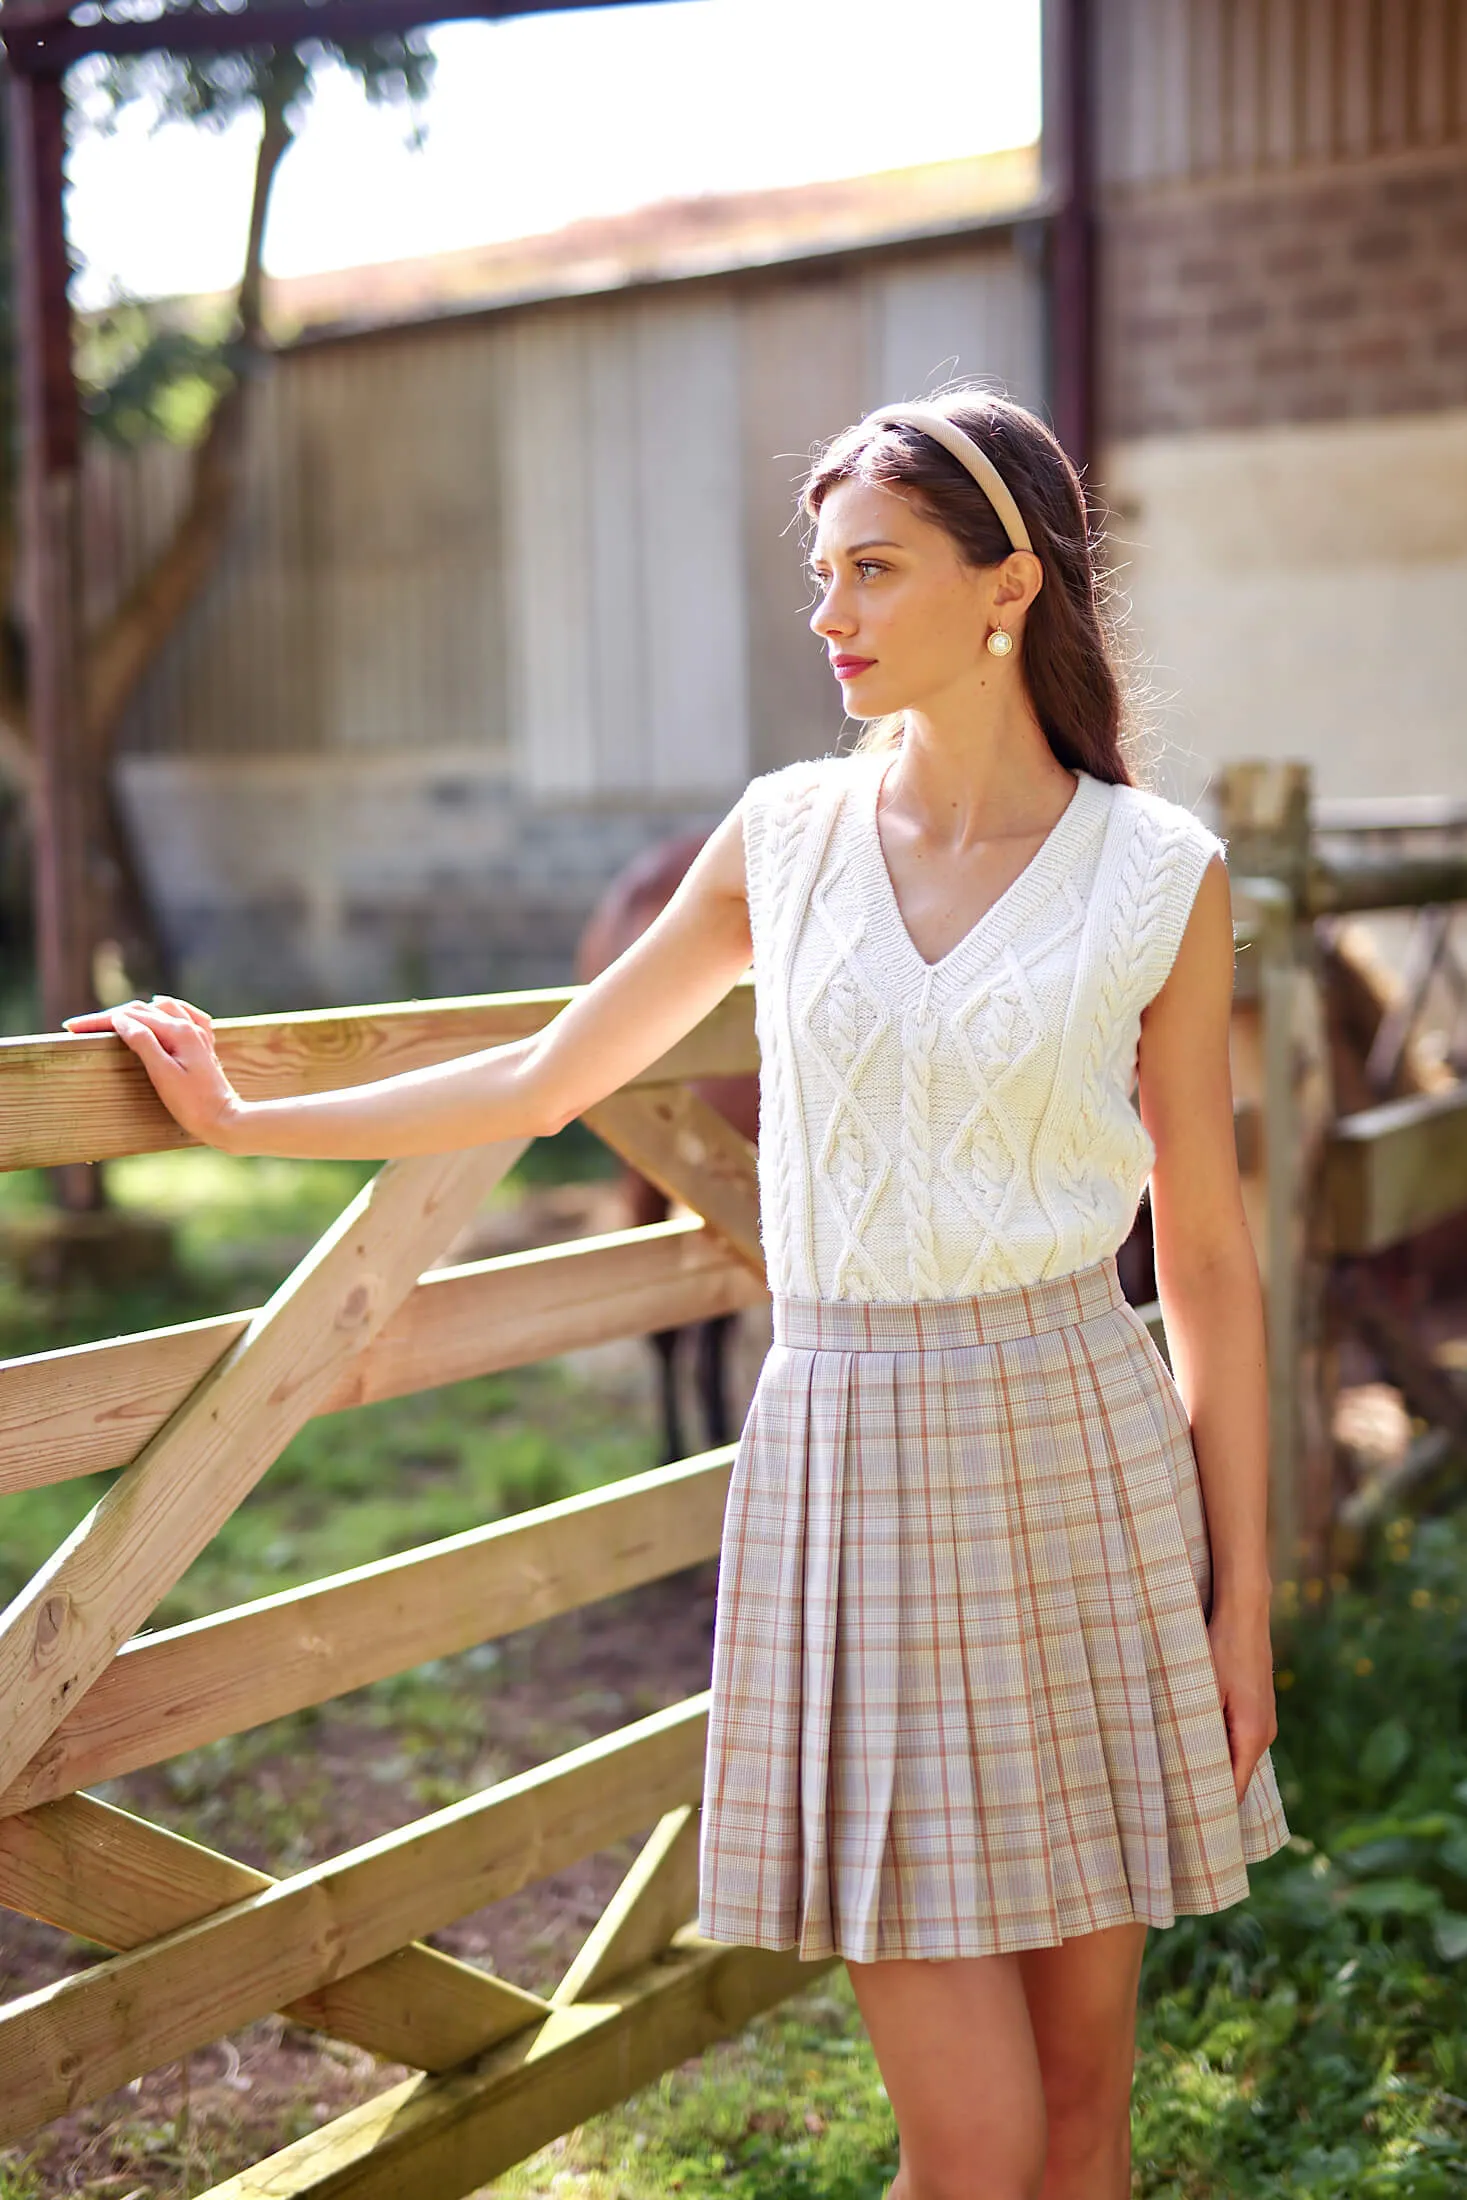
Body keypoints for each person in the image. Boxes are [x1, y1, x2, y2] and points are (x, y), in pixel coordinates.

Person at [65, 388, 1289, 2200]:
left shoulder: (1156, 877)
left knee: (1083, 2112)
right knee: (971, 2146)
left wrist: (1239, 1605)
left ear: (1006, 586)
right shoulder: (781, 841)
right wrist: (250, 1110)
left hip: (1086, 1469)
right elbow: (545, 1077)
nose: (831, 618)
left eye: (871, 572)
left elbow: (1203, 1260)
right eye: (820, 577)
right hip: (849, 1461)